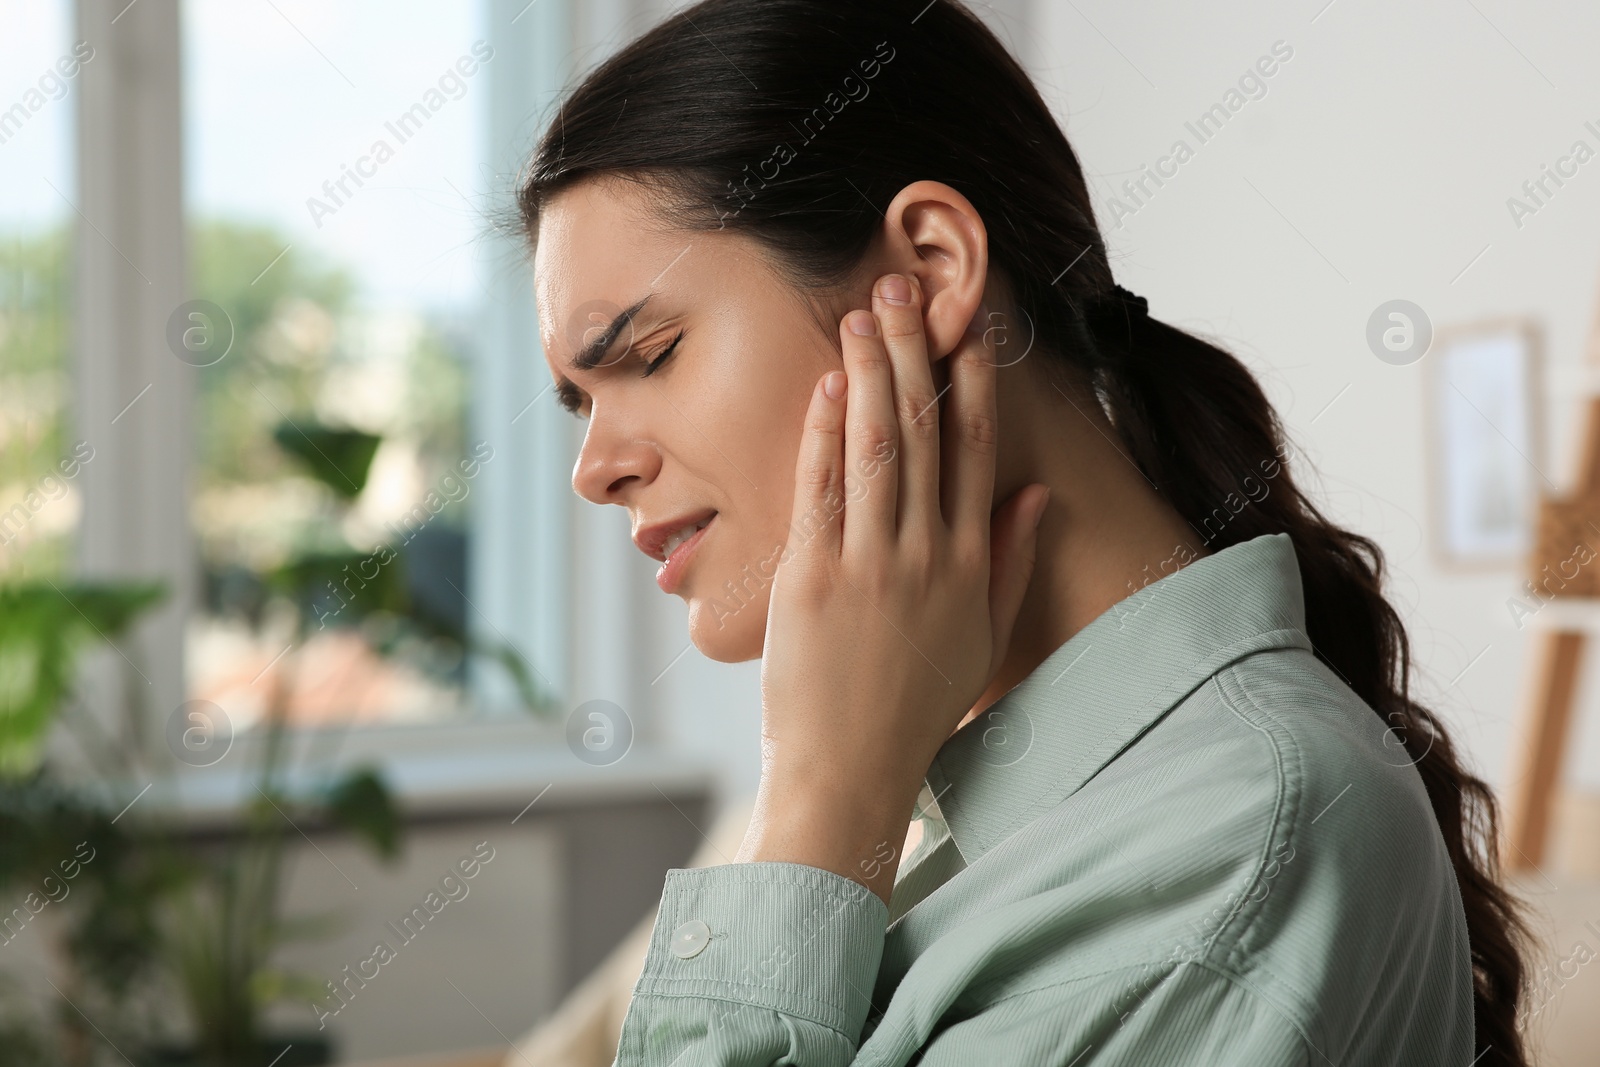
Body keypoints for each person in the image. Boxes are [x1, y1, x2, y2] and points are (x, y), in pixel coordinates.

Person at [517, 1, 1533, 1063]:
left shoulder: (1231, 846)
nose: (596, 469)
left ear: (931, 265)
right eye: (578, 403)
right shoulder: (929, 794)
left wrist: (820, 789)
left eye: (650, 354)